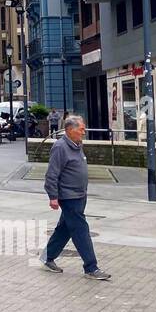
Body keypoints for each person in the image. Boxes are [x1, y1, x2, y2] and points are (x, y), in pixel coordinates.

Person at [40, 115, 111, 280]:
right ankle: (91, 267)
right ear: (70, 130)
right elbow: (52, 174)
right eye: (81, 129)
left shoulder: (77, 144)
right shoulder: (60, 147)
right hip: (69, 196)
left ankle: (47, 257)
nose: (84, 132)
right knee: (81, 230)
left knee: (64, 229)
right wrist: (53, 196)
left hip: (80, 195)